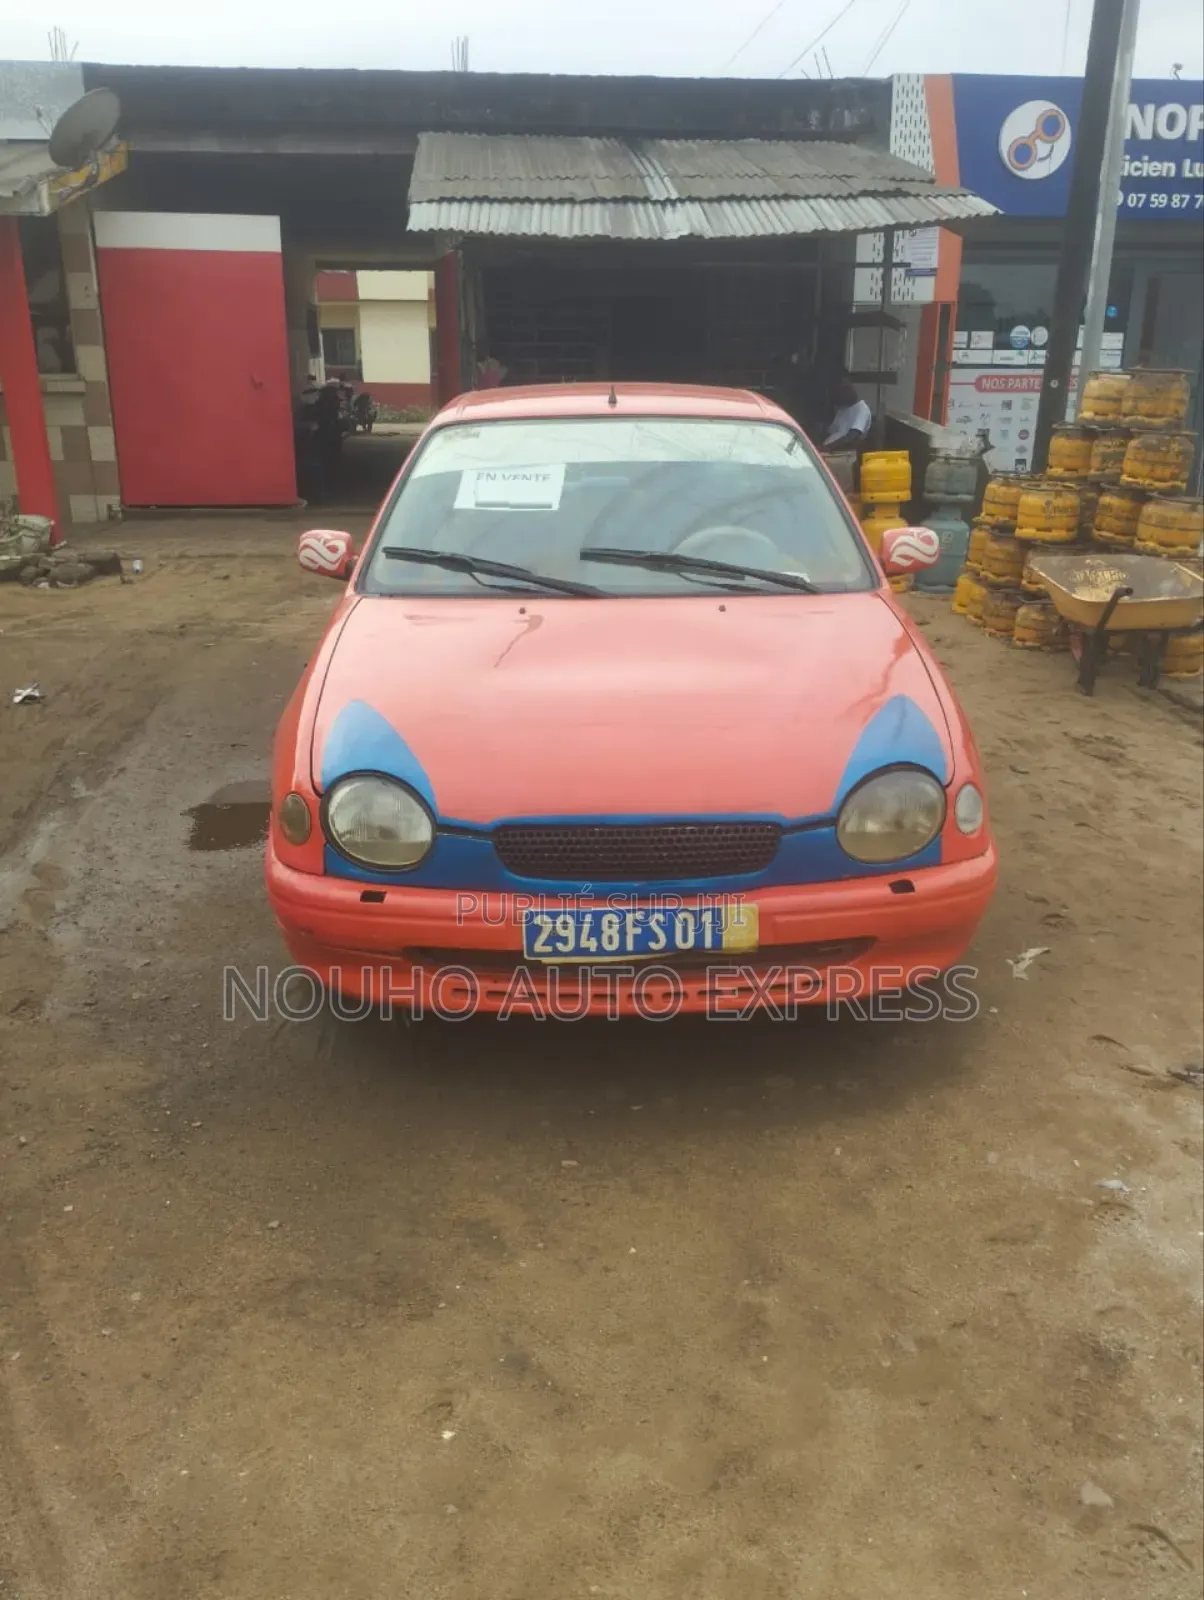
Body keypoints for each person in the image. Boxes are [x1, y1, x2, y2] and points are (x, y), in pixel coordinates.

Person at [823, 383, 873, 452]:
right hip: (829, 448)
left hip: (844, 450)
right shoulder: (843, 409)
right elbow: (831, 431)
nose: (837, 407)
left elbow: (852, 436)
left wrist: (829, 447)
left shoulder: (862, 410)